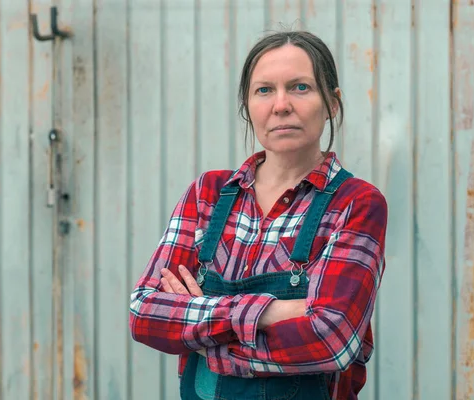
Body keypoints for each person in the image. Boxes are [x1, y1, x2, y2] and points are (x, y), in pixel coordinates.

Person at [129, 30, 388, 400]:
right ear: (247, 105)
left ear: (332, 103)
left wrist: (201, 323)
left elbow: (332, 339)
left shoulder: (355, 203)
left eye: (300, 87)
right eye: (264, 90)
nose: (280, 105)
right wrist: (270, 312)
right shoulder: (209, 194)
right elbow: (145, 314)